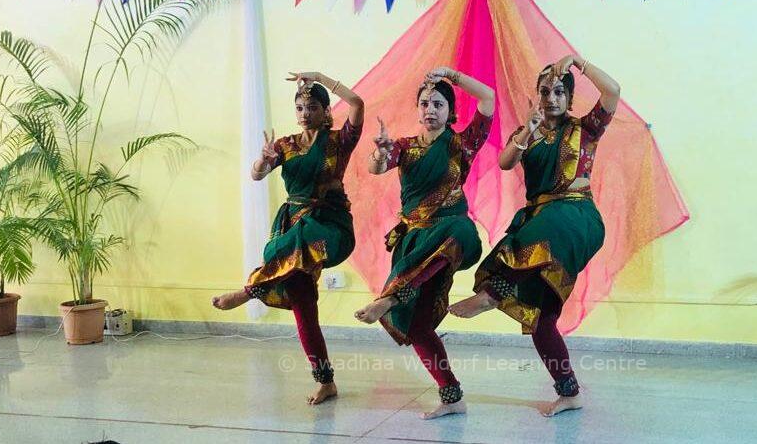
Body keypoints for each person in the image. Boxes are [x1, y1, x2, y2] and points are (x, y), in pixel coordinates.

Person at [448, 54, 620, 417]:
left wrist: (578, 63)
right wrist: (528, 129)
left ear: (569, 98)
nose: (551, 98)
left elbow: (613, 91)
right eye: (545, 91)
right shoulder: (528, 132)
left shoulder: (586, 128)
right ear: (537, 95)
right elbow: (505, 162)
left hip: (576, 217)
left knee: (542, 227)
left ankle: (492, 295)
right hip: (542, 223)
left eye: (559, 92)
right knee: (543, 320)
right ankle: (569, 392)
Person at [212, 71, 364, 406]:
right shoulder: (286, 145)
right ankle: (326, 382)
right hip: (293, 228)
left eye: (312, 107)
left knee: (303, 235)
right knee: (304, 309)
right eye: (299, 107)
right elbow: (256, 175)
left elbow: (356, 103)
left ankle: (249, 291)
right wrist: (262, 162)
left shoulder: (339, 141)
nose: (305, 113)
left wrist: (320, 77)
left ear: (326, 110)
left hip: (329, 227)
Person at [354, 66, 494, 419]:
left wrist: (452, 75)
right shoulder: (404, 147)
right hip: (415, 244)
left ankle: (390, 297)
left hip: (452, 233)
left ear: (450, 111)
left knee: (455, 233)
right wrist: (380, 152)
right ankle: (452, 396)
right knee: (418, 327)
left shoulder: (462, 144)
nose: (430, 109)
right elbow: (375, 168)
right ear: (418, 109)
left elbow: (488, 98)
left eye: (438, 104)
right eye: (425, 104)